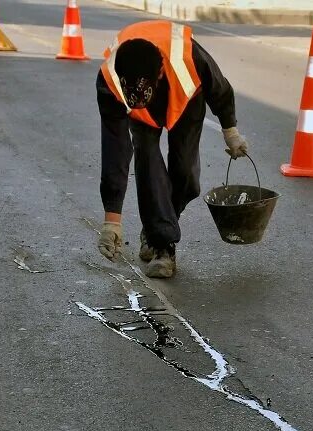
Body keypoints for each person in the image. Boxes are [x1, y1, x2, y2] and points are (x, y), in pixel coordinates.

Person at [95, 21, 248, 278]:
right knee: (147, 161)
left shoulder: (188, 59)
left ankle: (157, 225)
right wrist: (112, 220)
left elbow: (219, 88)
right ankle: (162, 245)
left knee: (186, 173)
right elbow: (115, 151)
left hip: (187, 100)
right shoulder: (110, 82)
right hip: (142, 116)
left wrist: (230, 132)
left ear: (159, 74)